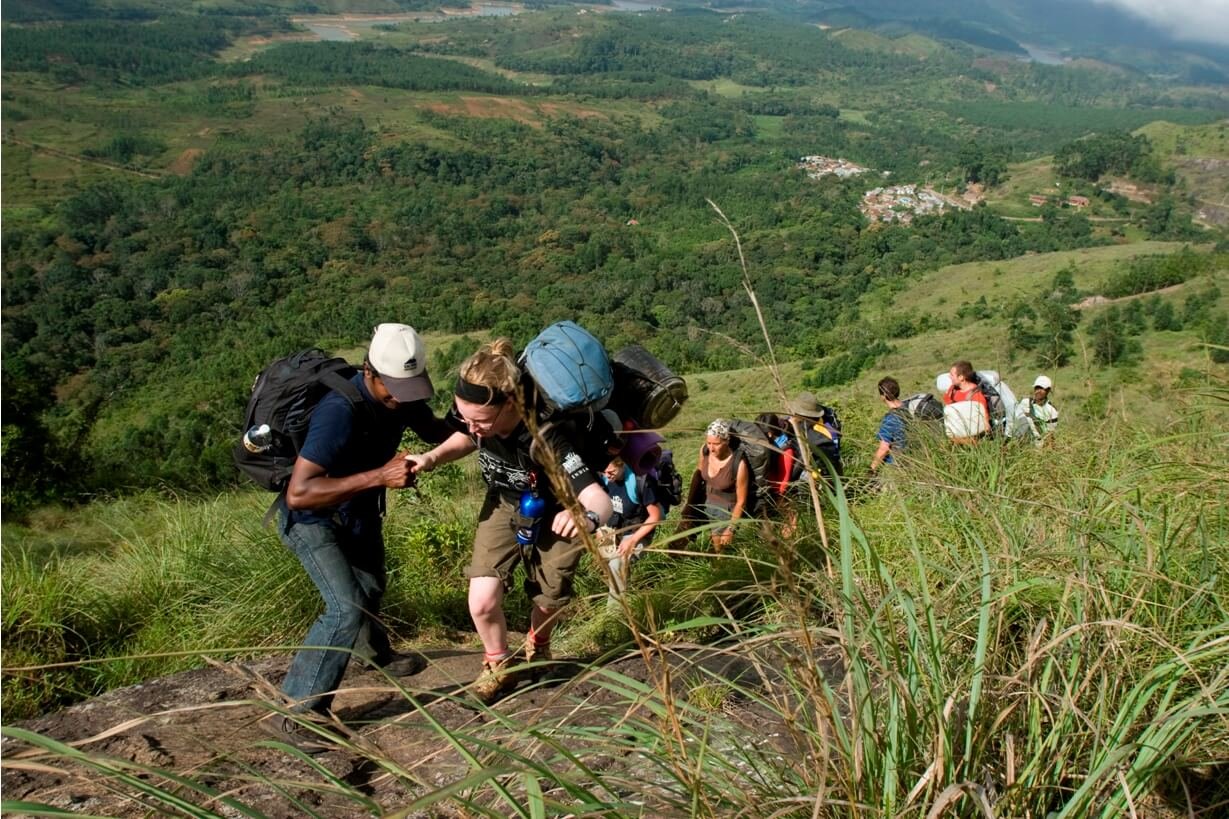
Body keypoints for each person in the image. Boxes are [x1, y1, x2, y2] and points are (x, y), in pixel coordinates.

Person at [268, 323, 452, 749]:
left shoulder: (401, 396)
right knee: (345, 608)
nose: (400, 399)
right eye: (392, 390)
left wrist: (485, 421)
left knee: (369, 587)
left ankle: (376, 656)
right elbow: (299, 494)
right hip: (313, 519)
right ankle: (297, 715)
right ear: (370, 373)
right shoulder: (339, 412)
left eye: (408, 389)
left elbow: (436, 432)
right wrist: (379, 475)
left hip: (357, 510)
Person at [408, 339, 613, 703]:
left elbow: (597, 496)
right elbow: (465, 438)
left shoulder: (547, 436)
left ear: (510, 404)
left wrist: (587, 516)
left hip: (559, 511)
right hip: (503, 503)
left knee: (549, 599)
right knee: (482, 602)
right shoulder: (476, 415)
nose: (473, 427)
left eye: (481, 421)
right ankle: (498, 664)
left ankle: (539, 644)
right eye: (465, 416)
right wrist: (432, 457)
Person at [598, 456, 663, 605]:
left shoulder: (640, 480)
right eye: (604, 472)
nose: (607, 475)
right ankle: (625, 592)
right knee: (607, 563)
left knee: (617, 564)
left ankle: (613, 614)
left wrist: (633, 541)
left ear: (622, 465)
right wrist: (601, 530)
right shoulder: (606, 479)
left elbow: (655, 516)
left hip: (638, 530)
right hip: (615, 527)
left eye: (611, 472)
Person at [693, 419, 751, 552]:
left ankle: (721, 567)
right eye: (709, 443)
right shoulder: (705, 451)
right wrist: (689, 505)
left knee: (720, 547)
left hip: (725, 510)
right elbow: (698, 475)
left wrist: (731, 528)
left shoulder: (738, 464)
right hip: (706, 502)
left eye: (716, 444)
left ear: (726, 441)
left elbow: (741, 501)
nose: (711, 448)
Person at [942, 361, 992, 444]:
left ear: (961, 377)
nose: (949, 376)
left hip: (971, 435)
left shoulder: (976, 394)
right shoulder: (953, 390)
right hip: (957, 429)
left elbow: (985, 421)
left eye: (952, 375)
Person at [870, 377, 907, 474]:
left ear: (883, 396)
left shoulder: (890, 420)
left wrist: (872, 468)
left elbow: (884, 449)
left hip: (897, 465)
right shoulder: (908, 408)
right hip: (914, 457)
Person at [1013, 375, 1059, 446]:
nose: (1038, 391)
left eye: (1042, 388)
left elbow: (1050, 435)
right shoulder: (1025, 402)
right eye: (1037, 388)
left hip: (1038, 445)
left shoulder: (1052, 411)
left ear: (1048, 390)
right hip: (1020, 442)